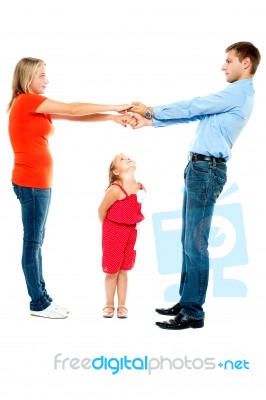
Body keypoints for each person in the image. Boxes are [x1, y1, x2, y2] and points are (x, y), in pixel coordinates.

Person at [127, 41, 261, 330]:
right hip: (199, 169)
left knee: (195, 243)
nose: (223, 66)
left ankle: (193, 313)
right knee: (187, 240)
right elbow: (197, 115)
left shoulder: (238, 93)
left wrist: (151, 110)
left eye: (229, 60)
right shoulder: (233, 96)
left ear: (246, 63)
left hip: (207, 170)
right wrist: (150, 122)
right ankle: (186, 300)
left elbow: (195, 105)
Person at [8, 57, 132, 319]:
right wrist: (116, 105)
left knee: (36, 242)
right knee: (32, 244)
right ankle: (38, 303)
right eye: (42, 75)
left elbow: (76, 117)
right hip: (30, 184)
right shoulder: (27, 100)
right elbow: (75, 108)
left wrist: (111, 118)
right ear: (28, 77)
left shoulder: (36, 105)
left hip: (39, 184)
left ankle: (42, 296)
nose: (47, 80)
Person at [98, 153, 145, 318]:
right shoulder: (115, 189)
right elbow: (101, 211)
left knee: (124, 269)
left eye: (129, 157)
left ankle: (122, 305)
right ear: (116, 171)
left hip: (131, 231)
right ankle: (109, 304)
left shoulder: (140, 187)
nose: (128, 158)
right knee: (112, 270)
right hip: (113, 231)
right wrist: (109, 229)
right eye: (122, 159)